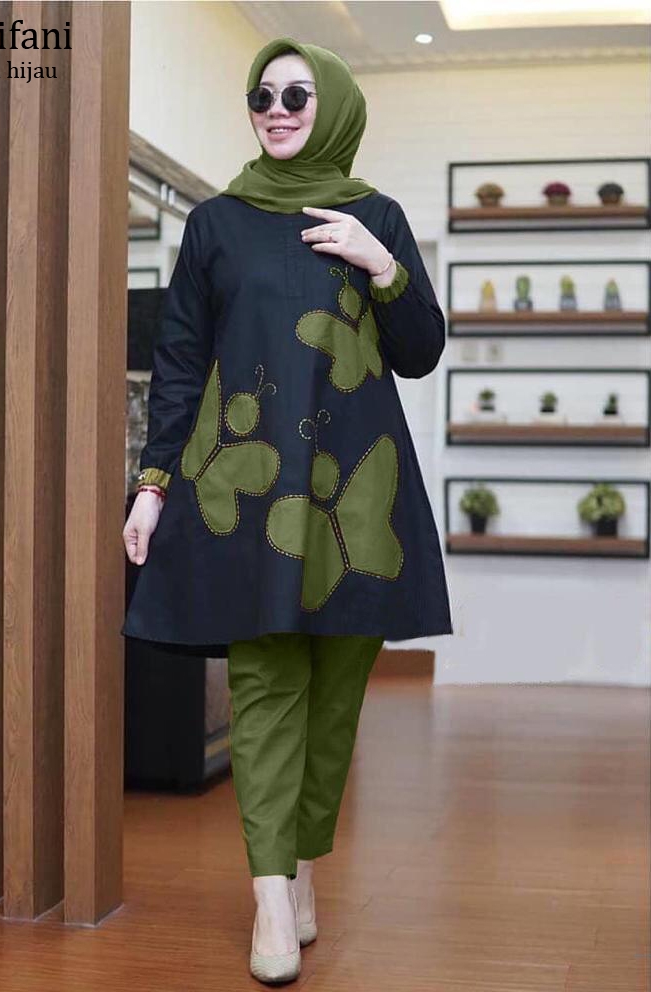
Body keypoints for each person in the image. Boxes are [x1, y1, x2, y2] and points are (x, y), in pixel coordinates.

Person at [122, 36, 453, 984]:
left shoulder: (375, 215)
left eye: (296, 95)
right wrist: (152, 486)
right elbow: (179, 364)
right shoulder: (216, 226)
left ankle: (303, 864)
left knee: (335, 697)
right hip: (249, 493)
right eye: (261, 95)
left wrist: (381, 265)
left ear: (332, 105)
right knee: (266, 686)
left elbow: (421, 351)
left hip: (357, 499)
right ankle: (271, 894)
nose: (275, 109)